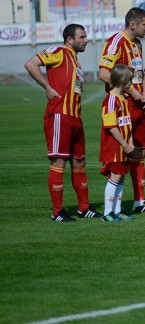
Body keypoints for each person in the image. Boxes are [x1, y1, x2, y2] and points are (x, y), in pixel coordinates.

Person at [24, 24, 101, 222]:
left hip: (75, 118)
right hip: (60, 115)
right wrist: (47, 87)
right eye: (82, 37)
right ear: (69, 39)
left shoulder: (75, 61)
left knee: (79, 163)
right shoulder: (58, 51)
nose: (85, 40)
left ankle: (84, 208)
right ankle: (57, 212)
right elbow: (31, 64)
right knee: (58, 162)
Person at [99, 7, 145, 214]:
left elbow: (139, 69)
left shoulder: (138, 44)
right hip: (123, 106)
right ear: (132, 24)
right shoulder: (115, 42)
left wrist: (143, 88)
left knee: (140, 153)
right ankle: (113, 208)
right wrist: (131, 91)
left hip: (139, 104)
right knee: (122, 154)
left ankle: (139, 202)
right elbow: (103, 73)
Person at [100, 64, 136, 222]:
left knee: (121, 177)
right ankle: (107, 213)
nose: (131, 83)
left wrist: (130, 142)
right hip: (114, 146)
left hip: (123, 146)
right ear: (122, 81)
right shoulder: (110, 100)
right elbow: (112, 127)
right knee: (115, 177)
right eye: (129, 80)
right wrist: (125, 144)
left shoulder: (123, 99)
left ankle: (117, 210)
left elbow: (127, 123)